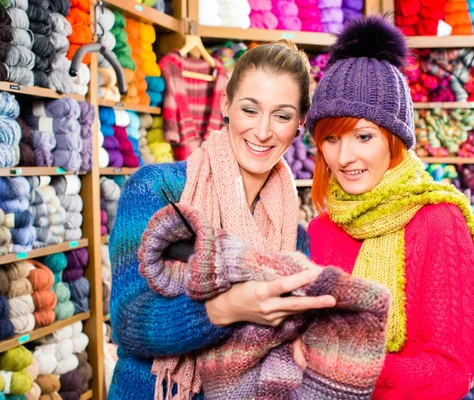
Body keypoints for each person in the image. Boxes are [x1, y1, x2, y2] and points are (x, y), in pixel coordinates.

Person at [107, 40, 337, 400]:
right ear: (226, 105)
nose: (263, 131)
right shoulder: (157, 190)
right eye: (250, 109)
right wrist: (226, 308)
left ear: (299, 124)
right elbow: (128, 323)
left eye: (282, 115)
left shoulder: (295, 237)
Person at [305, 16, 474, 399]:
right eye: (331, 138)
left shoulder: (438, 222)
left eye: (363, 136)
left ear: (395, 139)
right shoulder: (320, 230)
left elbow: (451, 374)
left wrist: (334, 367)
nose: (345, 157)